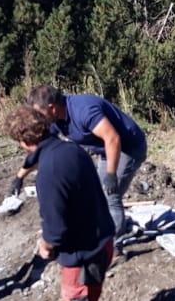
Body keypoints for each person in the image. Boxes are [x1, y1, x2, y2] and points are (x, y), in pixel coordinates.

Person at [4, 104, 115, 301]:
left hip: (82, 254)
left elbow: (55, 228)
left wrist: (46, 246)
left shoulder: (49, 173)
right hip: (101, 239)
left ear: (23, 141)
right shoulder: (71, 150)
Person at [10, 85, 147, 248]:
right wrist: (20, 176)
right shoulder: (55, 120)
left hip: (128, 147)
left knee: (111, 196)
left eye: (40, 113)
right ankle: (108, 232)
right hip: (106, 149)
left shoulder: (84, 110)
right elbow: (43, 149)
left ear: (52, 108)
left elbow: (112, 138)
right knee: (99, 196)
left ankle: (114, 249)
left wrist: (111, 174)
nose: (38, 119)